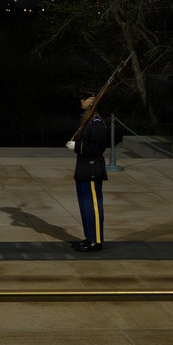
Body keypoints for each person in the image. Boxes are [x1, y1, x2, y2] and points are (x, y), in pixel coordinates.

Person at [66, 91, 108, 252]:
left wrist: (77, 147)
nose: (81, 102)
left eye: (84, 99)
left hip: (92, 169)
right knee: (85, 206)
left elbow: (98, 148)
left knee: (93, 207)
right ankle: (90, 237)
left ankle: (96, 240)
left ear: (91, 101)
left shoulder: (96, 122)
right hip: (85, 168)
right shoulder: (88, 120)